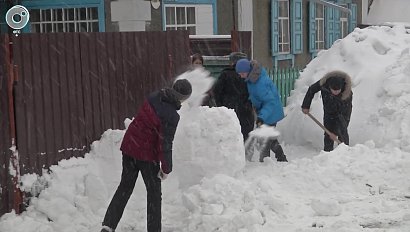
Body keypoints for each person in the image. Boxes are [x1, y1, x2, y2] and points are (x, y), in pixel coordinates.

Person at [100, 79, 192, 232]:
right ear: (183, 98)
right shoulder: (172, 116)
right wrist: (166, 168)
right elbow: (166, 143)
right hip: (147, 156)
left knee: (125, 187)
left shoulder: (154, 96)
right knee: (154, 194)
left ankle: (108, 225)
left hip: (130, 147)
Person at [235, 58, 288, 162]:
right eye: (239, 74)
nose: (241, 76)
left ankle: (270, 160)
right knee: (268, 138)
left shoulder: (260, 83)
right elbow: (256, 95)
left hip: (271, 112)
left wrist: (261, 117)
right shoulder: (252, 79)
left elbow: (270, 102)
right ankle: (275, 159)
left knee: (267, 139)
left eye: (242, 73)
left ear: (248, 70)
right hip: (264, 112)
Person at [301, 71, 353, 151]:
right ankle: (327, 153)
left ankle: (345, 152)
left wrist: (335, 132)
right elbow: (311, 90)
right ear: (329, 87)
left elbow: (341, 114)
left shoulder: (347, 93)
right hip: (329, 110)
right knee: (328, 131)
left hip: (343, 111)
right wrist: (306, 106)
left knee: (342, 129)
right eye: (334, 90)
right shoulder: (324, 83)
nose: (336, 92)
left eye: (338, 90)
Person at [213, 52, 254, 142]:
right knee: (246, 136)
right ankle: (246, 154)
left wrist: (221, 106)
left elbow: (216, 92)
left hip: (229, 110)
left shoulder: (225, 74)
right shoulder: (249, 75)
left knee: (231, 136)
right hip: (246, 111)